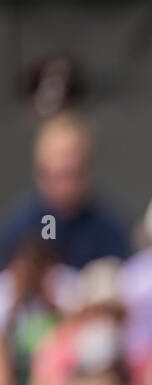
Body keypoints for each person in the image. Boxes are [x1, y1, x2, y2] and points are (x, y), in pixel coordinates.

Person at [0, 113, 130, 270]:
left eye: (73, 174)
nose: (65, 188)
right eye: (57, 175)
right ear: (38, 173)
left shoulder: (110, 227)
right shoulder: (20, 229)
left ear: (89, 170)